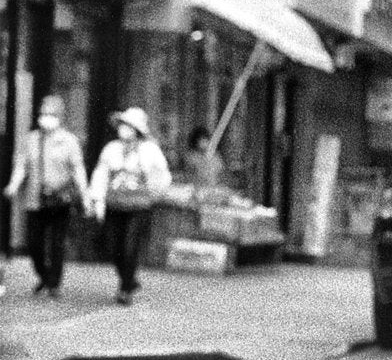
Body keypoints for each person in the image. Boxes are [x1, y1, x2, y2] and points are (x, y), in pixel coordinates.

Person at [4, 93, 89, 298]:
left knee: (56, 242)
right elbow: (22, 166)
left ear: (60, 117)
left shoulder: (68, 141)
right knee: (34, 243)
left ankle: (54, 283)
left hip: (60, 199)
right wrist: (14, 185)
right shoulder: (31, 139)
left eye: (51, 114)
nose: (46, 118)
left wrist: (85, 193)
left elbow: (77, 168)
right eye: (43, 114)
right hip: (35, 199)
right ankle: (43, 274)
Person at [89, 107, 172, 306]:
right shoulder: (111, 149)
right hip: (115, 204)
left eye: (128, 126)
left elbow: (162, 176)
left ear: (137, 129)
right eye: (122, 125)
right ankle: (129, 278)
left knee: (129, 246)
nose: (123, 129)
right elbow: (101, 175)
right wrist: (97, 199)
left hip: (138, 206)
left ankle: (125, 288)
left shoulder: (150, 150)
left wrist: (154, 194)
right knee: (113, 247)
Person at [184, 127, 229, 192]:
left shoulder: (216, 157)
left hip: (215, 189)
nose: (205, 143)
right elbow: (190, 176)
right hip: (198, 190)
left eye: (206, 140)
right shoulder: (191, 157)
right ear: (196, 141)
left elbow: (221, 173)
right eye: (202, 140)